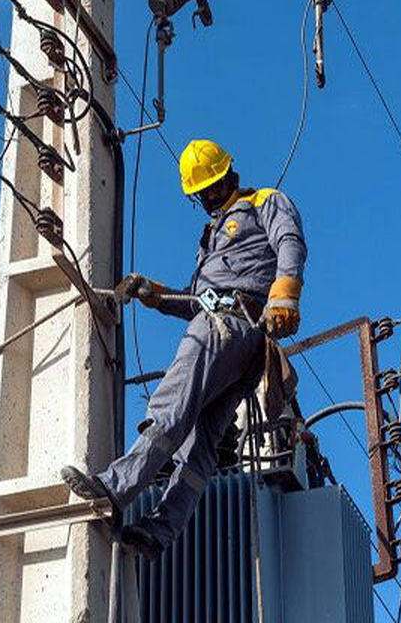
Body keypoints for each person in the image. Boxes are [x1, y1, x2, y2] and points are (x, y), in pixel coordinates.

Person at [60, 139, 307, 558]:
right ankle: (159, 531)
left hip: (229, 328)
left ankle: (114, 488)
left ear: (231, 174)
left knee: (171, 406)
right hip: (231, 335)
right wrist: (155, 295)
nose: (209, 197)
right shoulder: (210, 236)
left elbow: (290, 241)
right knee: (200, 444)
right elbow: (195, 299)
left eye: (213, 187)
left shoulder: (265, 201)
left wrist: (286, 291)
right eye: (202, 193)